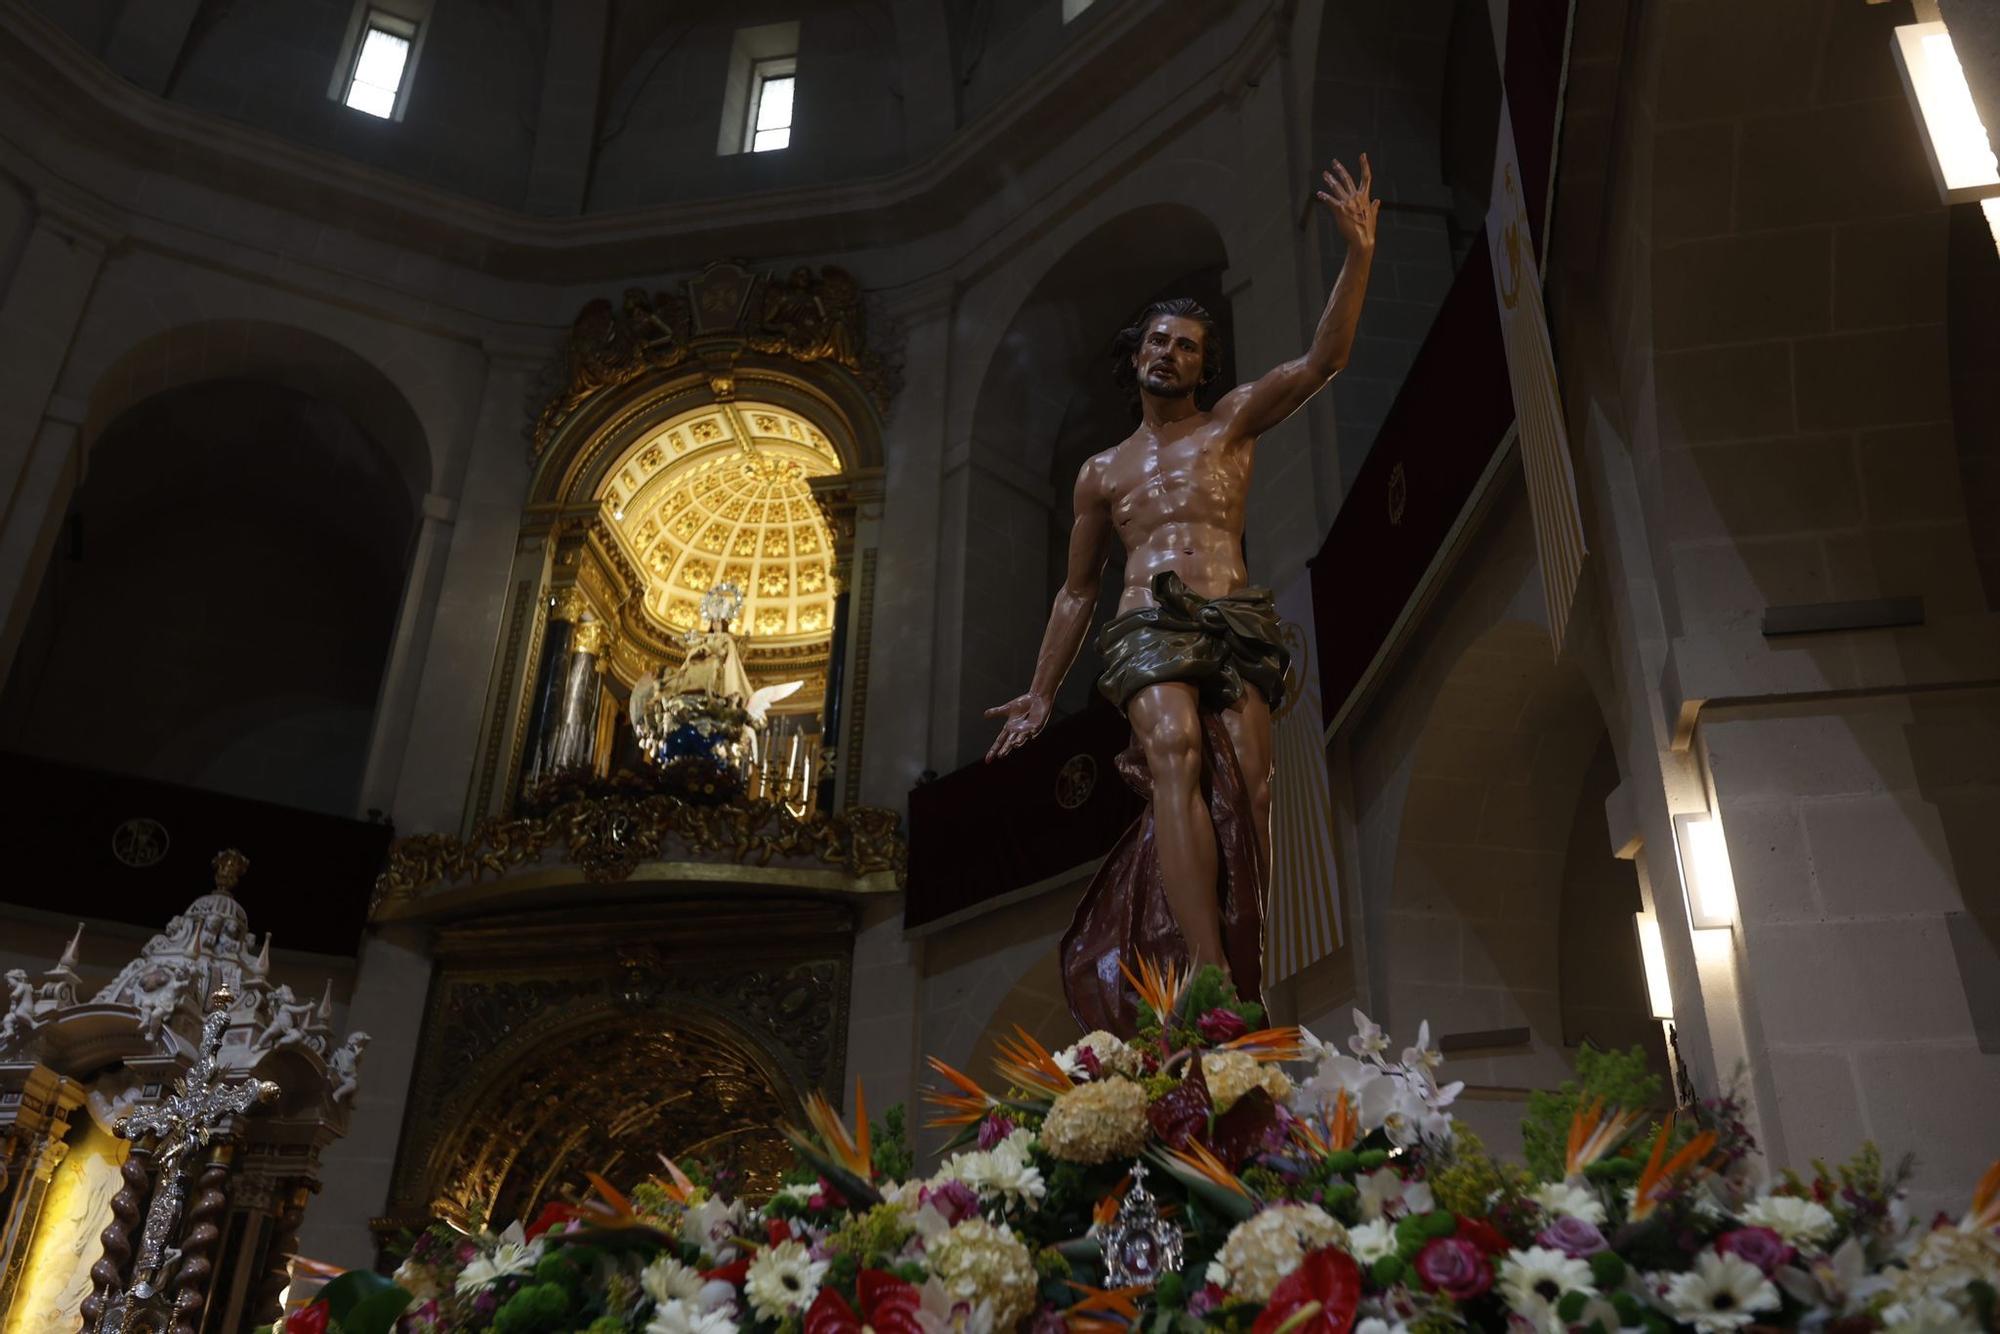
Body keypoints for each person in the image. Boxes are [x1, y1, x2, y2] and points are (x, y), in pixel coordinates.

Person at [986, 155, 1379, 1030]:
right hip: (1145, 623)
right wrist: (1042, 691)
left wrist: (1356, 255)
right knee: (1173, 749)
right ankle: (1204, 976)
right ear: (1136, 357)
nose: (1172, 353)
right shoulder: (1102, 472)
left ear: (1205, 367)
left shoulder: (1232, 421)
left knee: (1253, 793)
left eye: (1189, 346)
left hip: (1234, 619)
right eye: (1159, 340)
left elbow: (1327, 358)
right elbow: (1077, 591)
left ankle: (1244, 963)